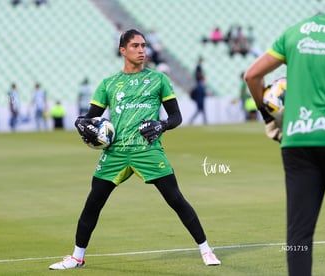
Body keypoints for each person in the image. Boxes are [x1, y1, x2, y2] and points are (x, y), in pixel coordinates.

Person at [49, 29, 220, 271]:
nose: (142, 50)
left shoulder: (159, 80)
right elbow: (91, 118)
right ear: (123, 50)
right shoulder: (108, 84)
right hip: (115, 153)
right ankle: (77, 257)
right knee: (92, 204)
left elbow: (176, 116)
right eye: (136, 46)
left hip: (147, 150)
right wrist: (81, 123)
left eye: (144, 45)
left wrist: (161, 125)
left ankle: (206, 249)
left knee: (176, 200)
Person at [244, 1, 325, 275]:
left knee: (299, 234)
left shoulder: (296, 32)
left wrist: (266, 116)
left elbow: (252, 75)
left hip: (298, 141)